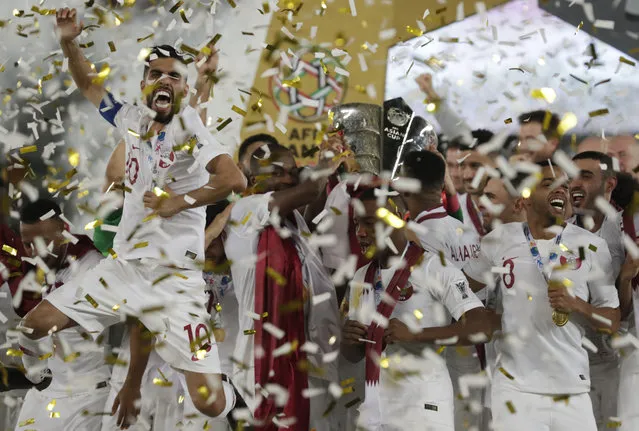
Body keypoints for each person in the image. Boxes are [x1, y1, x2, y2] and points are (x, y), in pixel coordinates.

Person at [18, 8, 246, 425]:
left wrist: (184, 200)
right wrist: (69, 42)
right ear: (143, 85)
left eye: (175, 75)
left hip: (178, 284)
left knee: (208, 403)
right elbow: (87, 83)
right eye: (155, 73)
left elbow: (235, 178)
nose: (164, 79)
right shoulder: (131, 119)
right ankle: (38, 374)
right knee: (35, 325)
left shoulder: (191, 128)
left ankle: (233, 394)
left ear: (183, 88)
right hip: (123, 271)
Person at [466, 161, 620, 431]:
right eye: (548, 184)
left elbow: (612, 322)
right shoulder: (499, 239)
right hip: (515, 389)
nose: (560, 191)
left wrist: (577, 306)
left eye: (564, 186)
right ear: (524, 197)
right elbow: (464, 290)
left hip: (573, 387)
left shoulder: (592, 245)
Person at [341, 188, 496, 430]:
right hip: (376, 408)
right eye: (356, 223)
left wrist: (416, 335)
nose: (360, 233)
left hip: (423, 408)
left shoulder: (434, 268)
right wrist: (349, 339)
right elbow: (353, 355)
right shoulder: (361, 277)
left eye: (369, 223)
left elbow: (482, 328)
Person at [223, 142, 342, 429]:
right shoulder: (245, 210)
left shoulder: (291, 219)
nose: (288, 179)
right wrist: (324, 165)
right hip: (263, 364)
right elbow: (309, 191)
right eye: (278, 172)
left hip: (306, 357)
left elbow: (313, 206)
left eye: (292, 172)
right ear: (253, 178)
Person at [14, 199, 111, 430]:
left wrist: (33, 372)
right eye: (28, 244)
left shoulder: (92, 269)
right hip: (45, 391)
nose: (35, 252)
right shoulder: (46, 265)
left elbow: (33, 328)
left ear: (64, 230)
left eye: (43, 241)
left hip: (85, 396)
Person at [569, 151, 624, 430]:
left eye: (585, 176)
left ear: (609, 185)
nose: (574, 184)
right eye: (571, 176)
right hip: (574, 363)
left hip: (623, 362)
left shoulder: (628, 230)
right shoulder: (559, 234)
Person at [458, 130, 497, 238]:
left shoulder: (515, 207)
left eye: (475, 166)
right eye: (462, 166)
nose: (467, 175)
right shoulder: (450, 212)